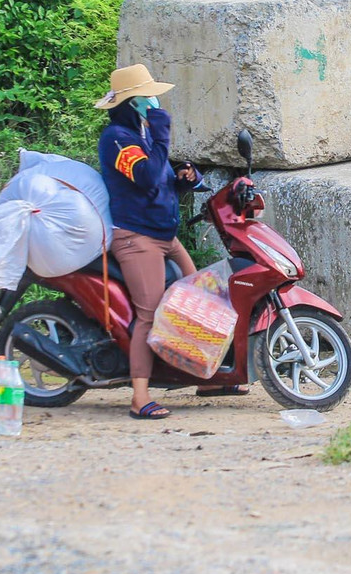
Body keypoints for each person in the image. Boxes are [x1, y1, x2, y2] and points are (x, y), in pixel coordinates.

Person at [96, 64, 243, 420]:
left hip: (164, 235)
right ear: (132, 103)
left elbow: (157, 180)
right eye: (146, 96)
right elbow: (144, 178)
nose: (154, 101)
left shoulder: (143, 135)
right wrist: (162, 135)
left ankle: (202, 375)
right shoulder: (117, 138)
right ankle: (139, 397)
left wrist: (182, 178)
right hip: (137, 239)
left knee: (200, 299)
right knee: (149, 315)